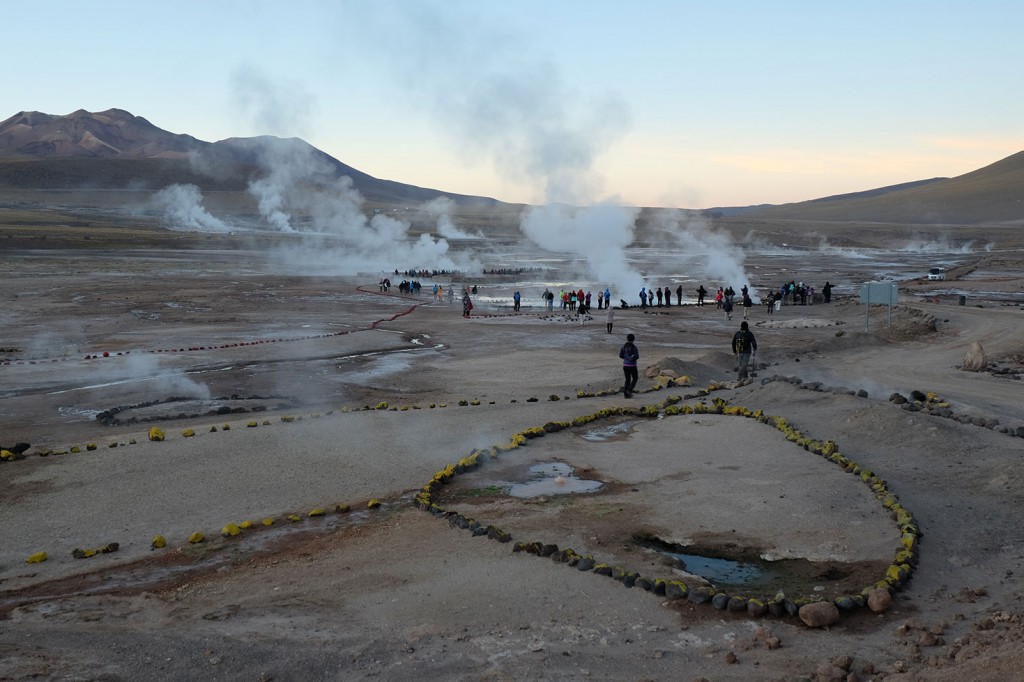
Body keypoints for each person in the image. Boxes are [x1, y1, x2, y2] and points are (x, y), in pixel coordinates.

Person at [619, 333, 639, 398]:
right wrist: (632, 358)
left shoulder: (623, 347)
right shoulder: (634, 347)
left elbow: (620, 355)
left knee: (627, 379)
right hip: (632, 365)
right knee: (635, 378)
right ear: (633, 339)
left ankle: (626, 394)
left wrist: (626, 358)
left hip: (625, 365)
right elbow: (637, 356)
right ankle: (629, 390)